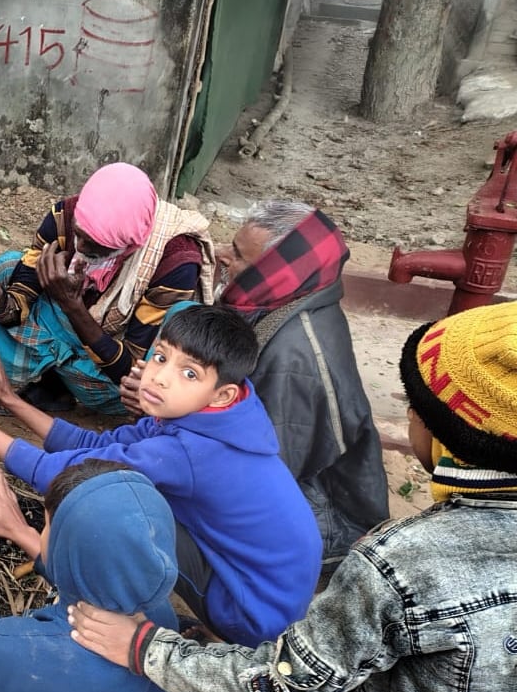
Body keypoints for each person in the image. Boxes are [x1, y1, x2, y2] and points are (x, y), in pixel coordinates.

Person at [68, 301, 517, 692]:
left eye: (415, 405)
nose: (411, 413)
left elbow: (289, 683)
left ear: (441, 430)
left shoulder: (400, 565)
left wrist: (145, 648)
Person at [0, 305, 321, 646]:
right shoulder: (217, 414)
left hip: (252, 611)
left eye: (189, 372)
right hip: (266, 581)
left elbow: (66, 474)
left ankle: (154, 631)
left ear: (223, 392)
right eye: (161, 357)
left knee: (113, 507)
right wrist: (10, 401)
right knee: (123, 484)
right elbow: (97, 448)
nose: (160, 377)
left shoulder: (189, 452)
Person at [121, 201, 389, 574]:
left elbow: (259, 467)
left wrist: (165, 406)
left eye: (240, 256)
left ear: (275, 273)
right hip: (284, 468)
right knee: (185, 320)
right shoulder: (289, 300)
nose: (223, 256)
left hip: (319, 514)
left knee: (138, 512)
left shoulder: (294, 361)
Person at [0, 459, 178, 692]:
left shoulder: (12, 647)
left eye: (47, 526)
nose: (43, 532)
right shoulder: (160, 617)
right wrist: (21, 532)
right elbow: (100, 573)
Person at [0, 163, 215, 416]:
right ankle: (53, 386)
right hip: (76, 331)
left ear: (131, 243)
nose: (80, 246)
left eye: (96, 243)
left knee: (170, 332)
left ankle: (64, 385)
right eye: (79, 233)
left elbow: (129, 370)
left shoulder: (174, 263)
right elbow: (19, 304)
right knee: (7, 267)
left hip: (111, 374)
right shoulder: (64, 217)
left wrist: (72, 305)